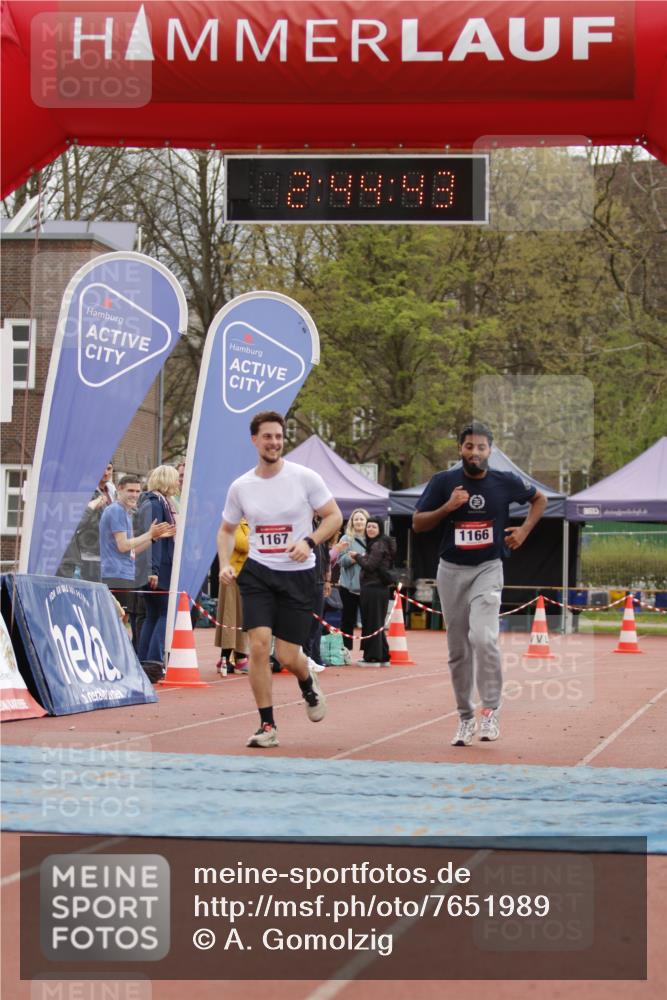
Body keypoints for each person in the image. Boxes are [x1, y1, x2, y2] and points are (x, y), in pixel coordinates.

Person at [412, 421, 547, 746]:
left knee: (485, 639)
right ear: (460, 449)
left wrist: (524, 530)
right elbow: (417, 523)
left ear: (491, 450)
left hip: (488, 568)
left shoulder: (505, 482)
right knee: (458, 650)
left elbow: (539, 499)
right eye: (469, 447)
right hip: (451, 571)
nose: (475, 452)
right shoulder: (444, 482)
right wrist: (447, 507)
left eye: (481, 447)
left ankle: (490, 711)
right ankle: (465, 717)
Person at [216, 410, 342, 749]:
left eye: (279, 436)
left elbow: (334, 516)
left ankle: (307, 680)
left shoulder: (305, 478)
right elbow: (227, 530)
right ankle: (267, 725)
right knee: (258, 645)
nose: (274, 442)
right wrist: (226, 563)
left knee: (287, 656)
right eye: (267, 436)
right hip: (258, 572)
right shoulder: (241, 486)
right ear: (254, 440)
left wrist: (309, 541)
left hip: (298, 577)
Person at [100, 474, 175, 649]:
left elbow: (131, 550)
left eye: (137, 491)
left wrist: (154, 538)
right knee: (118, 622)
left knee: (124, 621)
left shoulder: (125, 512)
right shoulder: (116, 511)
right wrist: (149, 534)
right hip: (115, 574)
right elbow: (123, 546)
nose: (134, 495)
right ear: (119, 490)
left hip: (125, 573)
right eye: (130, 491)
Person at [136, 465, 179, 666]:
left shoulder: (154, 502)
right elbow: (153, 539)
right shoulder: (156, 504)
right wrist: (153, 570)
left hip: (156, 566)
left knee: (153, 614)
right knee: (164, 613)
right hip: (159, 567)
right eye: (176, 478)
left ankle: (145, 660)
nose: (178, 482)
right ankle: (153, 660)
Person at [349, 517, 396, 666]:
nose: (370, 529)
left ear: (380, 529)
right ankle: (381, 655)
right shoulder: (379, 544)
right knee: (376, 623)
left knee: (372, 623)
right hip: (377, 588)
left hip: (373, 588)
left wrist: (357, 557)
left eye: (373, 527)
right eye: (368, 527)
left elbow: (370, 566)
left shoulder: (377, 545)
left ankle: (373, 657)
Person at [214, 519, 250, 676]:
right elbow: (243, 544)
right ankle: (233, 658)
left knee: (240, 618)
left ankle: (229, 658)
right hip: (233, 575)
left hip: (245, 576)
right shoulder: (235, 522)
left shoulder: (247, 524)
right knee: (230, 617)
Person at [335, 508, 370, 663]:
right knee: (347, 620)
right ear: (351, 522)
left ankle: (367, 652)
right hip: (348, 587)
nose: (359, 522)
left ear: (367, 521)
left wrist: (360, 558)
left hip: (367, 586)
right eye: (356, 519)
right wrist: (356, 559)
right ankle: (346, 652)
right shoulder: (346, 539)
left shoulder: (372, 539)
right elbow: (339, 560)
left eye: (361, 519)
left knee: (368, 620)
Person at [75, 463, 116, 581]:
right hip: (90, 552)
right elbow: (83, 521)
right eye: (102, 468)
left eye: (109, 469)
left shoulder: (112, 491)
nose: (106, 473)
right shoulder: (87, 492)